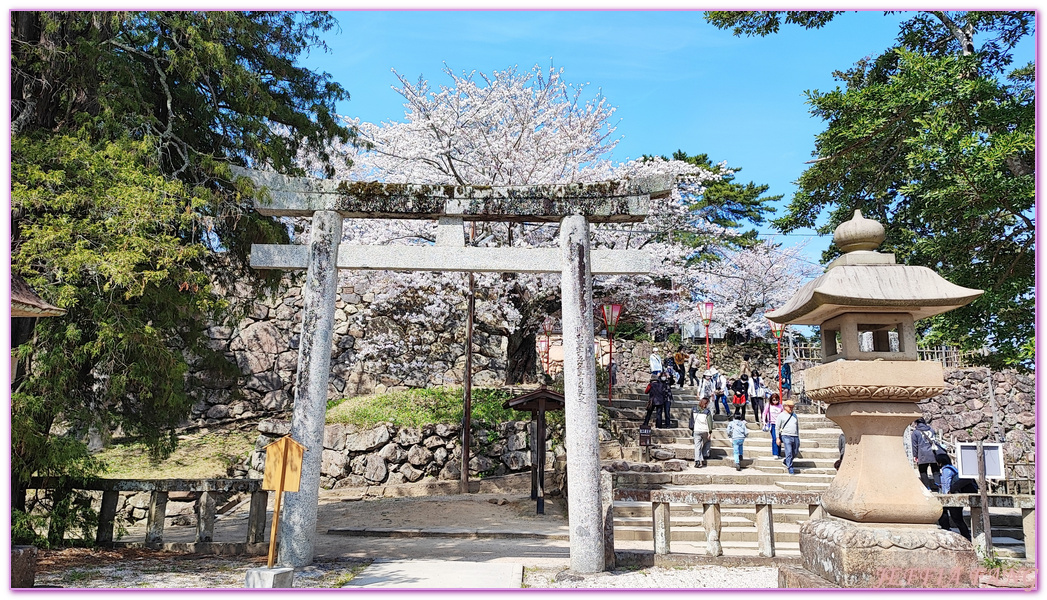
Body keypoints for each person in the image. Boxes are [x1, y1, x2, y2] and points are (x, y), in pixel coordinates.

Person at [936, 453, 973, 540]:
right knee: (957, 519)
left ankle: (948, 530)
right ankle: (966, 535)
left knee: (952, 517)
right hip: (956, 494)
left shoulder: (946, 470)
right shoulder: (953, 468)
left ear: (940, 462)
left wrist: (945, 496)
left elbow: (947, 483)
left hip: (951, 497)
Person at [911, 418, 942, 489]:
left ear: (916, 423)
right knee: (936, 470)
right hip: (933, 453)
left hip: (922, 454)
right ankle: (939, 486)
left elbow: (914, 445)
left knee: (923, 471)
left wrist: (915, 455)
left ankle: (927, 487)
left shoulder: (916, 432)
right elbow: (935, 441)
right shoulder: (931, 430)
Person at [776, 400, 800, 474]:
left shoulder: (794, 415)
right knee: (788, 451)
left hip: (795, 435)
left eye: (792, 407)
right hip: (786, 435)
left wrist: (798, 436)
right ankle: (790, 467)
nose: (791, 408)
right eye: (790, 407)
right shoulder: (781, 416)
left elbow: (797, 426)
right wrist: (777, 438)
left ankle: (786, 461)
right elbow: (777, 427)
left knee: (795, 451)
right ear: (785, 406)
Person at [691, 397, 713, 468]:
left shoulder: (694, 409)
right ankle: (704, 454)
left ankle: (697, 461)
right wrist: (710, 432)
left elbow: (691, 420)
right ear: (705, 404)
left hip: (696, 430)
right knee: (707, 441)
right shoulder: (707, 412)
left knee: (697, 446)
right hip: (704, 430)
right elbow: (709, 422)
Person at [763, 393, 785, 458]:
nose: (775, 401)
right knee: (775, 438)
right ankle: (775, 453)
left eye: (776, 400)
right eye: (773, 400)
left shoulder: (780, 406)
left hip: (779, 424)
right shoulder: (769, 405)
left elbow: (783, 414)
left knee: (779, 438)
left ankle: (778, 453)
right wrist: (764, 422)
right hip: (772, 424)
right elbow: (764, 413)